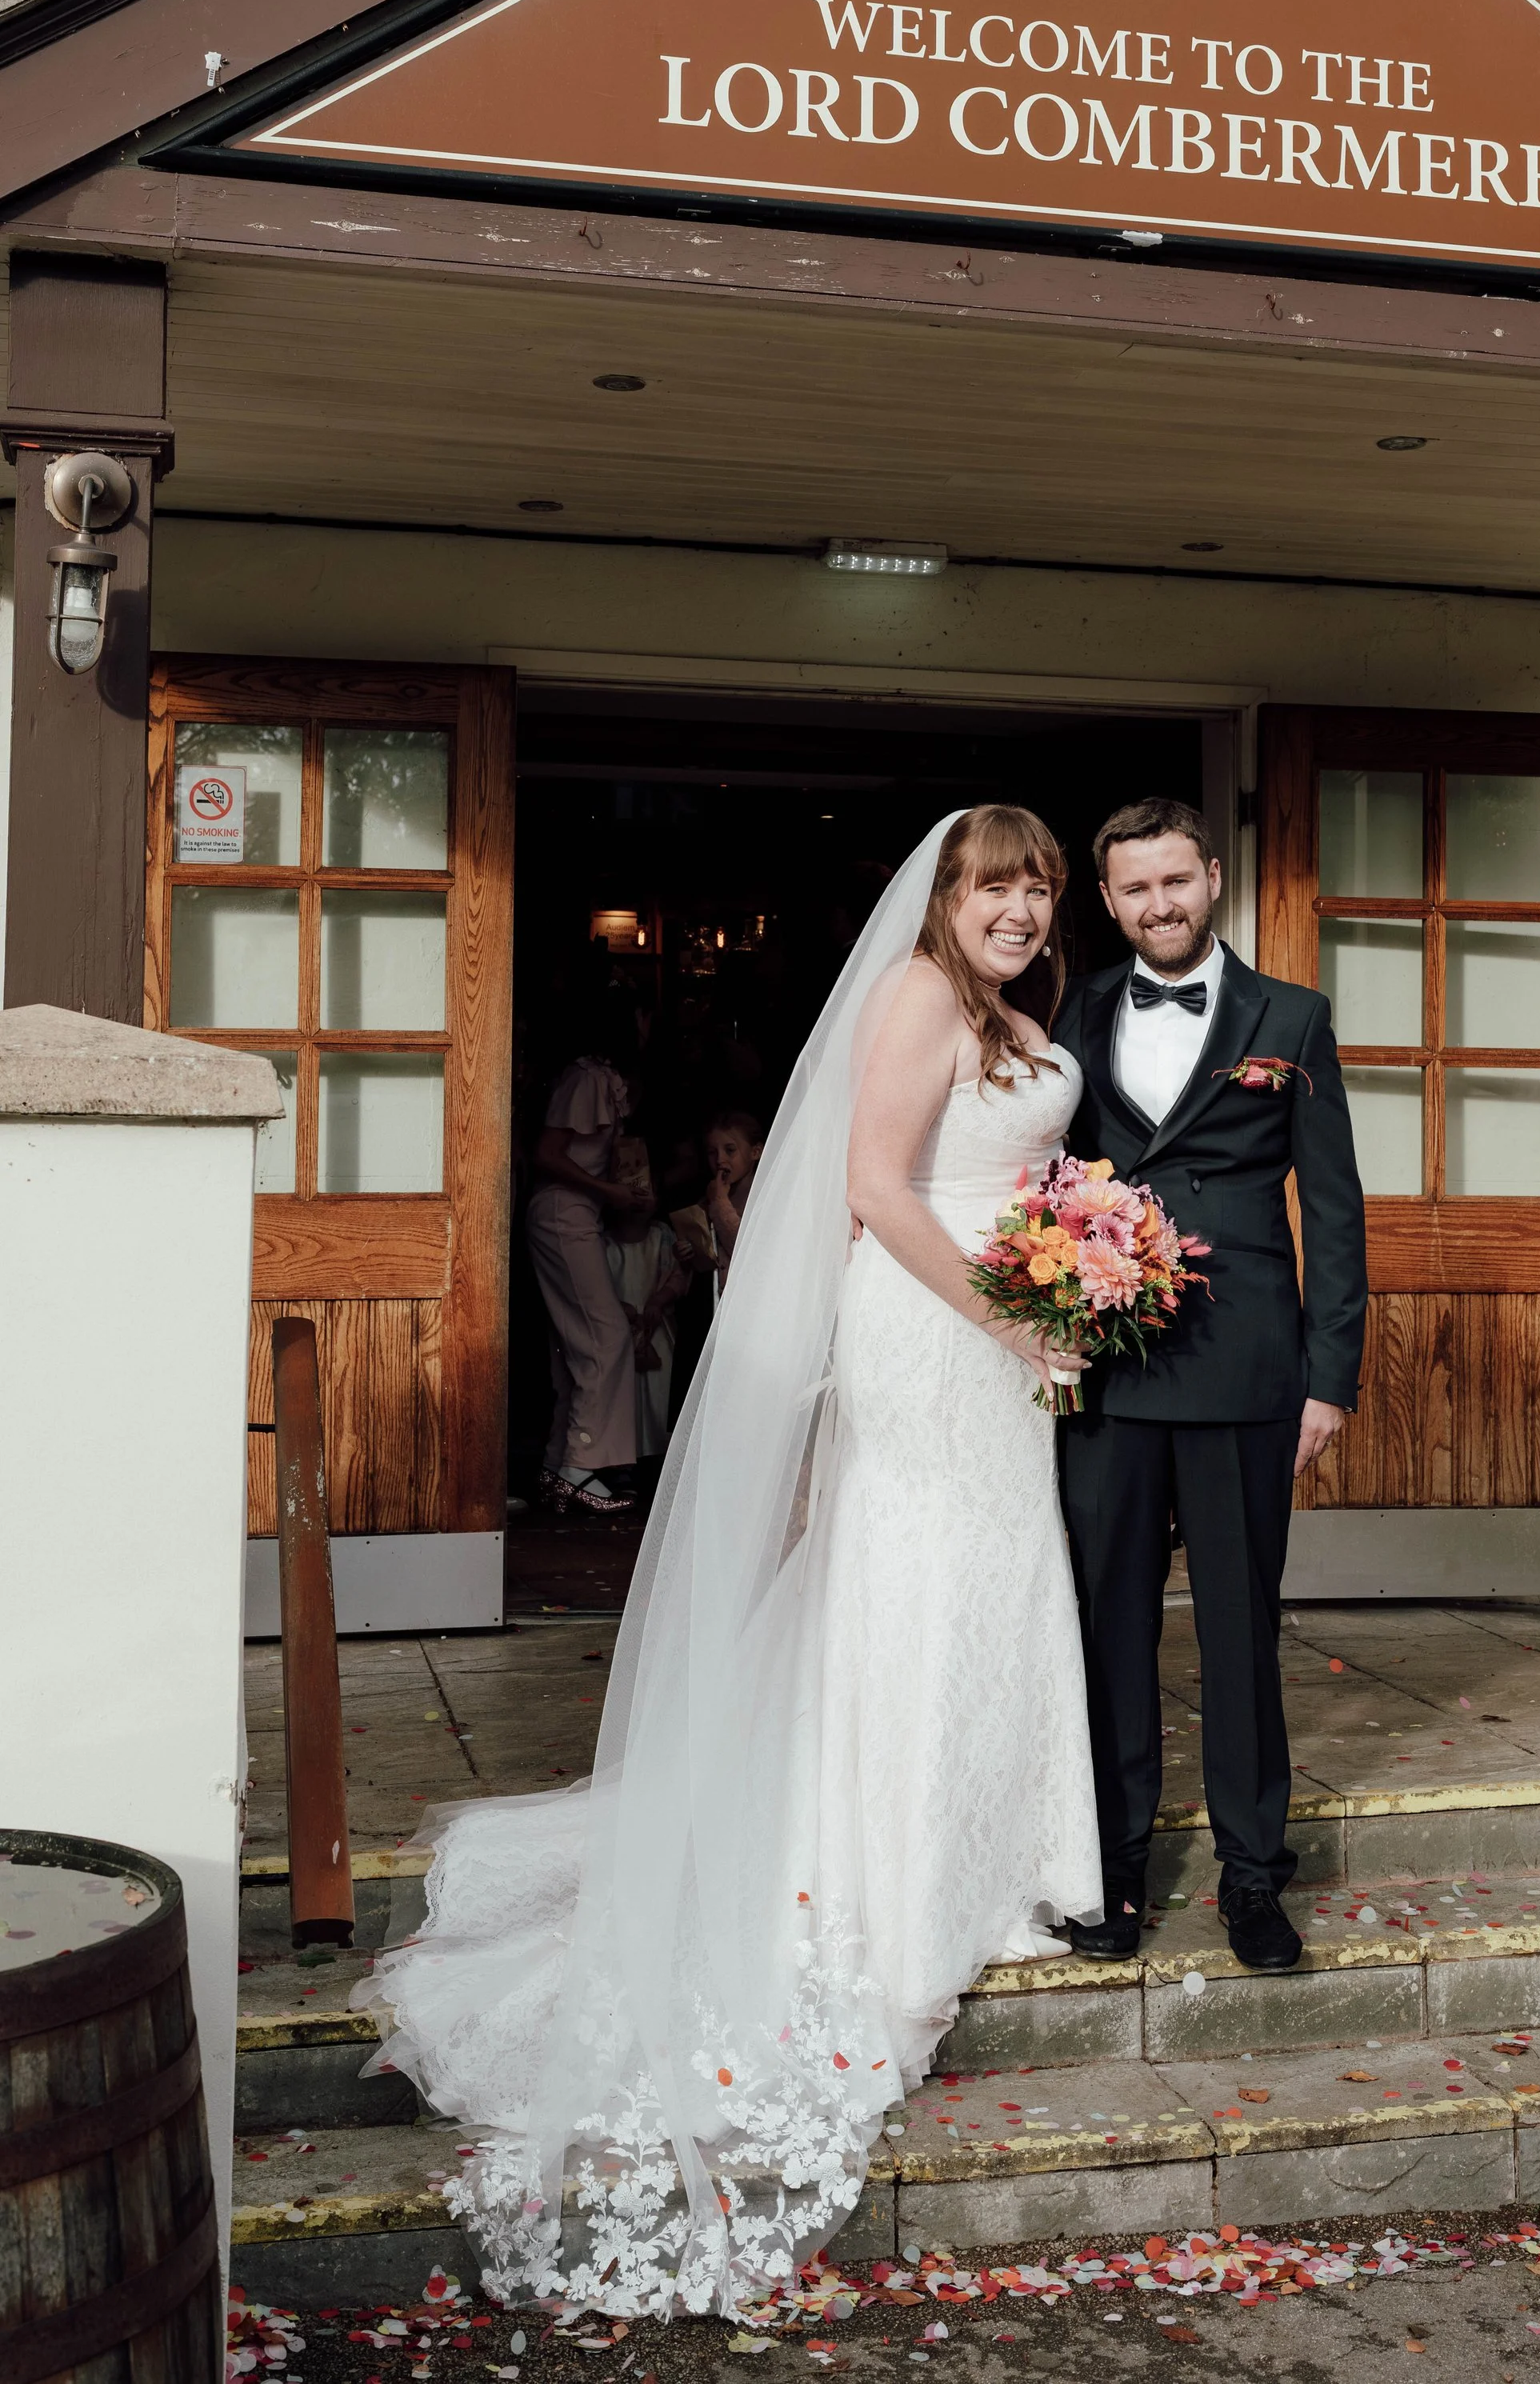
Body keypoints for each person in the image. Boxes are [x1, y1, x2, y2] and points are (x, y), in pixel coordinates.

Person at [354, 808, 1100, 2318]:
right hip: (933, 1329)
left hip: (1010, 1342)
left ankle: (1003, 1851)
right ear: (945, 898)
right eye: (993, 886)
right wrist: (1010, 1310)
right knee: (913, 1581)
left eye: (1036, 887)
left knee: (997, 1587)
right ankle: (883, 1877)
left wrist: (1083, 1258)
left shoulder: (1025, 1017)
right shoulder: (909, 999)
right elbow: (879, 1192)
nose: (1018, 909)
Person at [1054, 797, 1368, 1974]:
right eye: (1135, 889)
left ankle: (1251, 1878)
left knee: (1241, 1634)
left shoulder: (1291, 1014)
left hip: (1248, 1372)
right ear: (1109, 898)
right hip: (1104, 1369)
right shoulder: (1067, 1013)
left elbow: (1334, 1209)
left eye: (1176, 881)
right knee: (1108, 1630)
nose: (1160, 905)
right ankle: (1113, 1869)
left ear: (1214, 876)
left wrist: (1326, 1378)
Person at [525, 990, 651, 1517]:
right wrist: (610, 1193)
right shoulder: (588, 1078)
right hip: (563, 1215)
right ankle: (579, 1466)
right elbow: (547, 1154)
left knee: (578, 1343)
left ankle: (559, 1466)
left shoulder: (602, 1078)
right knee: (606, 1337)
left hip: (579, 1216)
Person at [600, 1138, 690, 1475]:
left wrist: (659, 1299)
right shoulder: (605, 1244)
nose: (639, 1200)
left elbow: (677, 1277)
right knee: (624, 1395)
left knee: (657, 1392)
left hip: (657, 1332)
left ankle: (656, 1460)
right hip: (621, 1332)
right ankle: (624, 1459)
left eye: (646, 1190)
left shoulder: (662, 1236)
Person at [702, 1107, 764, 1290]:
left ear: (755, 1152)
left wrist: (720, 1202)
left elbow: (746, 1253)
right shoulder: (710, 1199)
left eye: (730, 1150)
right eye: (712, 1152)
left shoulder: (764, 1199)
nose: (720, 1159)